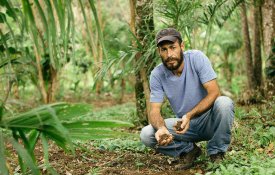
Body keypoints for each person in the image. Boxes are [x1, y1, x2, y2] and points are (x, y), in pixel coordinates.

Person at [140, 28, 234, 170]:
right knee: (147, 134)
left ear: (182, 46)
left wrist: (189, 115)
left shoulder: (197, 58)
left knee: (224, 103)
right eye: (164, 49)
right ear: (159, 51)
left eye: (173, 48)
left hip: (208, 120)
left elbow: (214, 92)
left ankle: (216, 152)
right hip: (183, 127)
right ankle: (189, 151)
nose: (169, 54)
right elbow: (154, 110)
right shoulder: (157, 74)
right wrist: (161, 128)